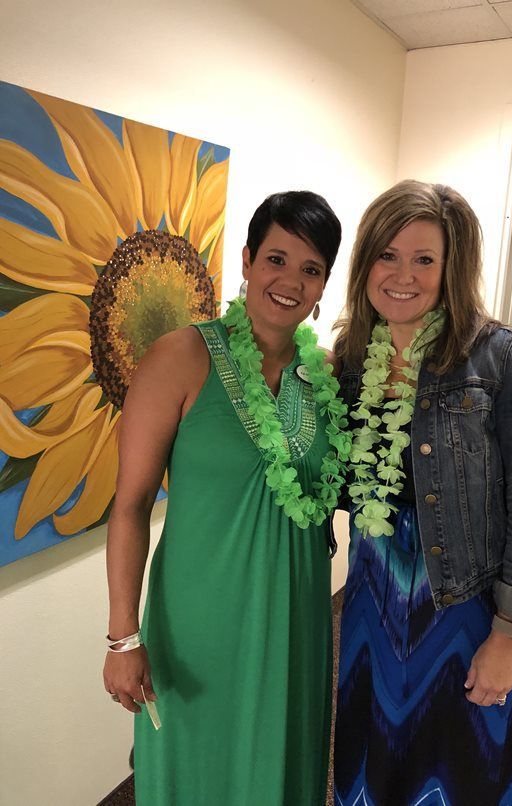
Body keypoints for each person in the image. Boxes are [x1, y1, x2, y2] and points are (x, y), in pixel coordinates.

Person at [103, 191, 350, 805]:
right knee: (199, 767)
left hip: (297, 613)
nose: (290, 281)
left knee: (283, 763)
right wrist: (122, 637)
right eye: (276, 258)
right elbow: (129, 506)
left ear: (323, 286)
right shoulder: (180, 357)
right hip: (199, 622)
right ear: (245, 260)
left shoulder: (325, 378)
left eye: (311, 269)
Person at [332, 180, 512, 806]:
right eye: (387, 255)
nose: (402, 274)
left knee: (461, 765)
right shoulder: (353, 358)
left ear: (451, 266)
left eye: (423, 259)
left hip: (463, 601)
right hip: (372, 596)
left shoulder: (499, 359)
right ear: (365, 264)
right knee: (372, 758)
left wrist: (509, 636)